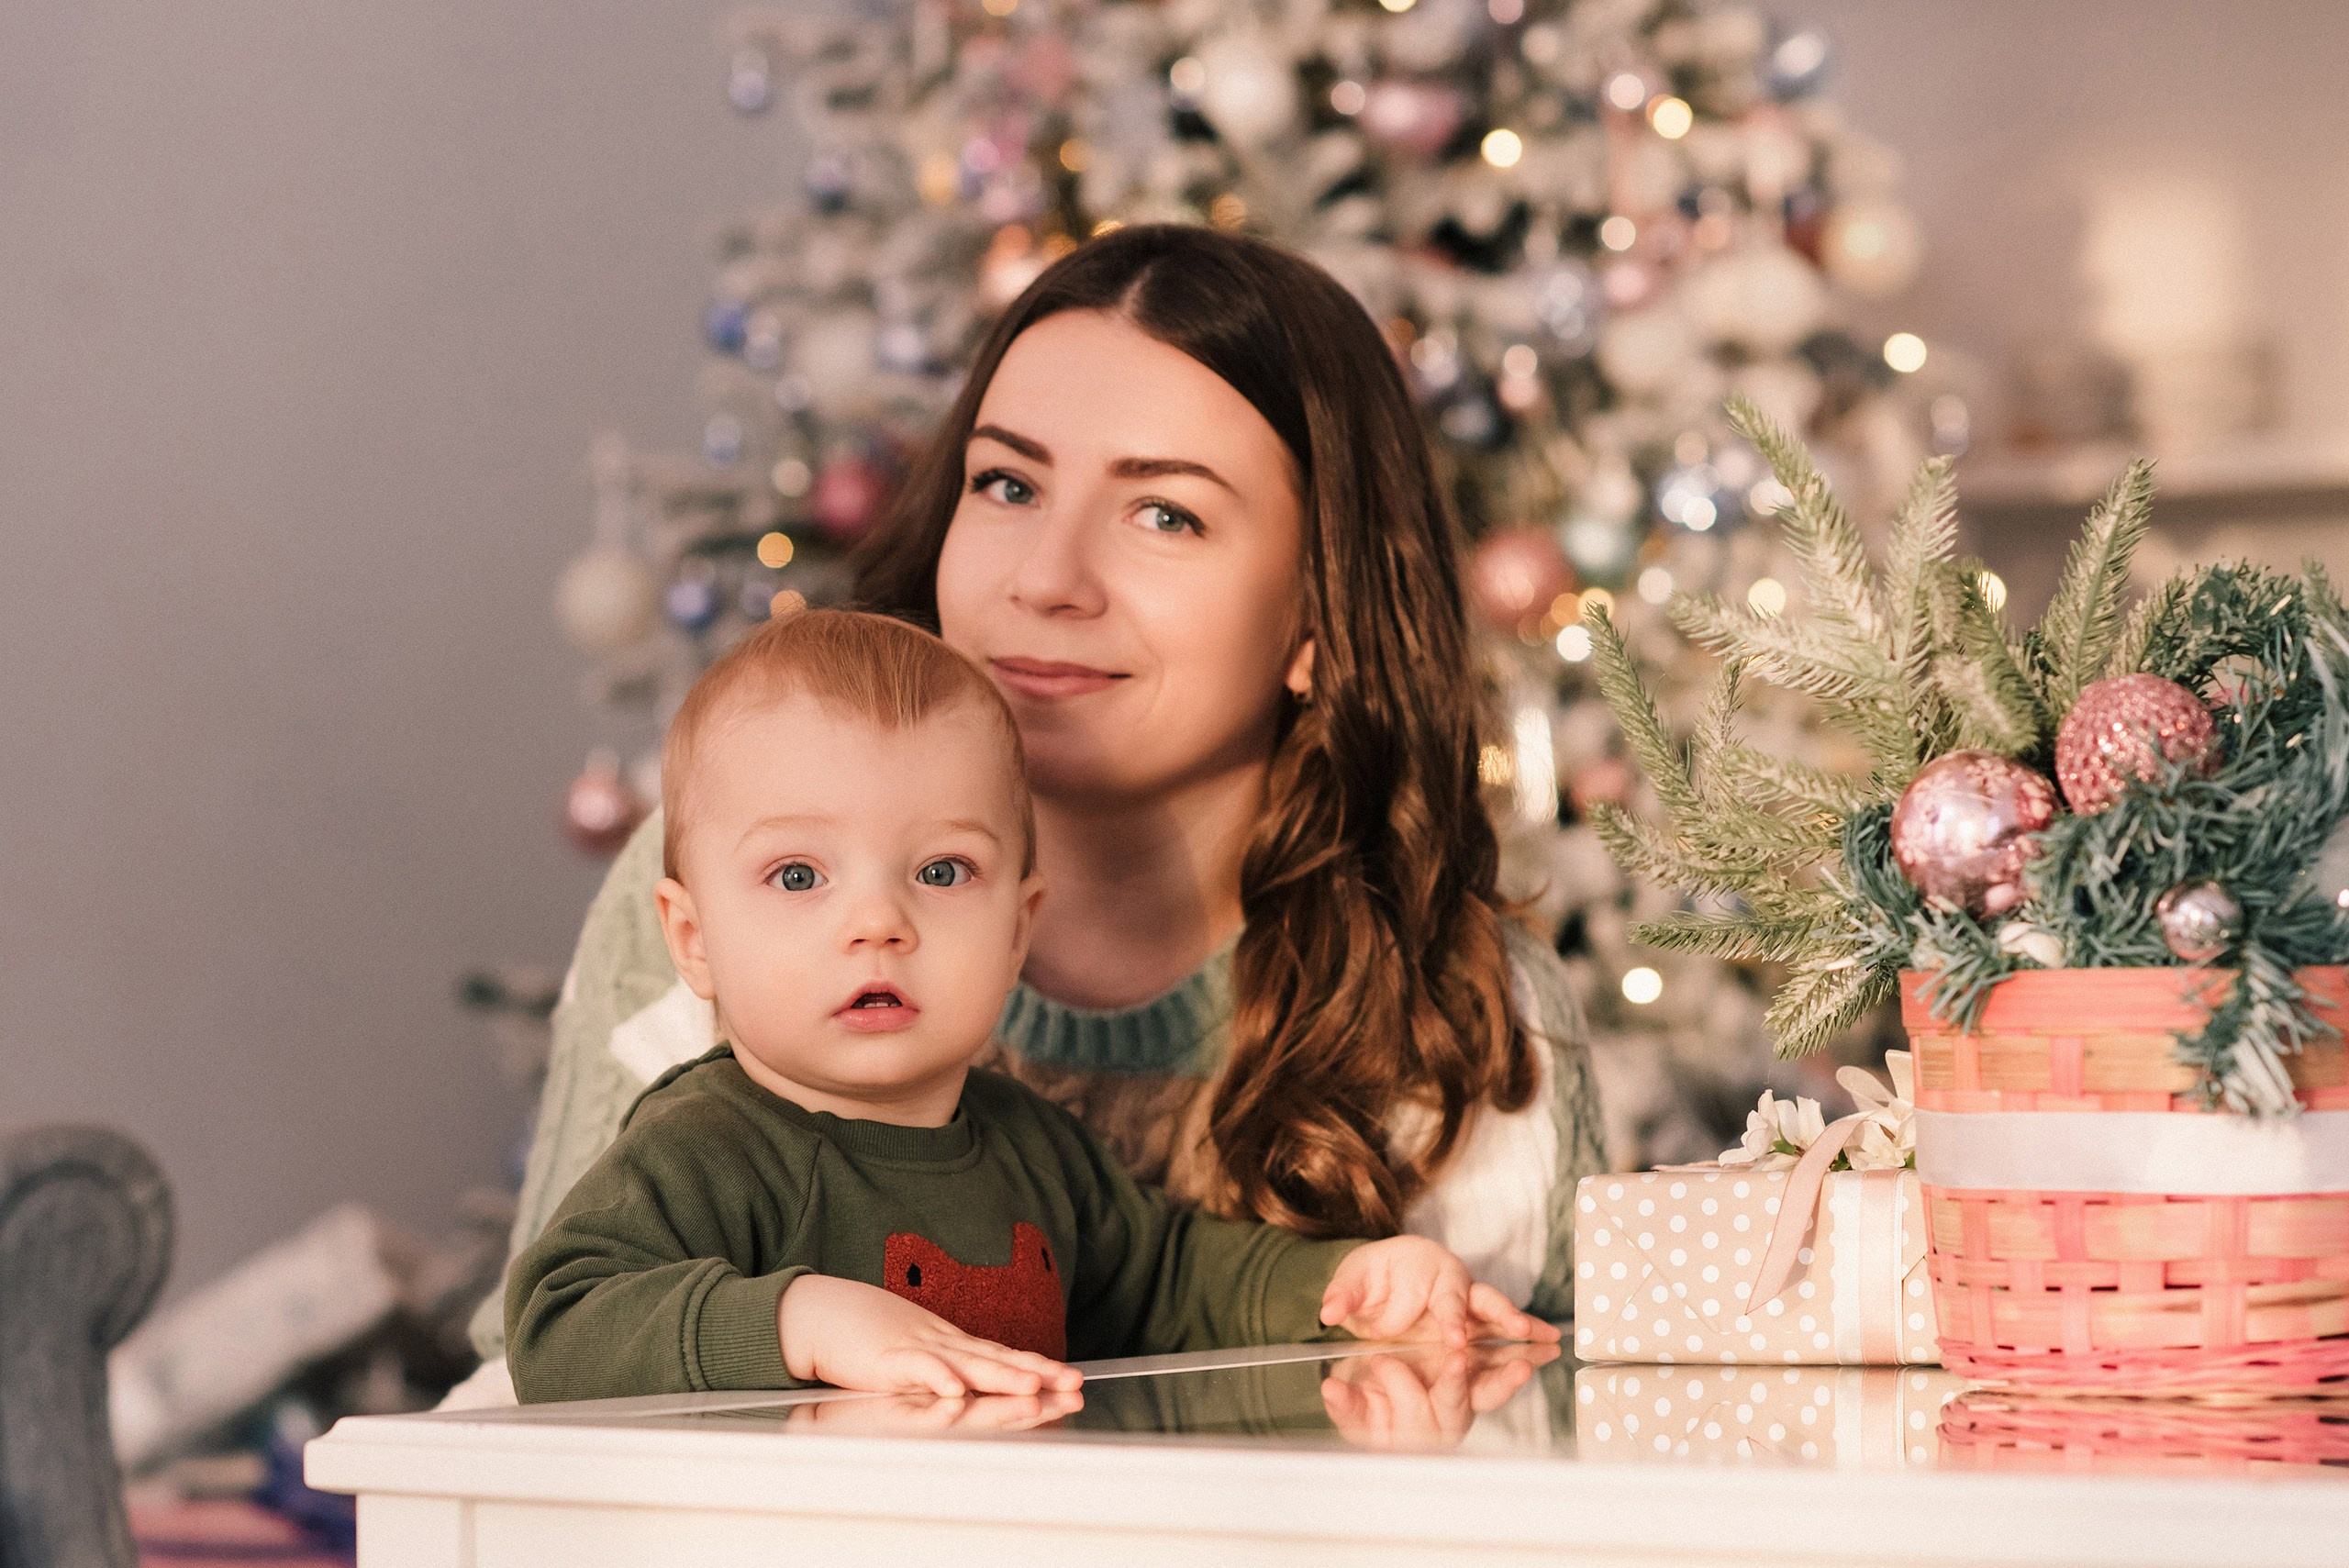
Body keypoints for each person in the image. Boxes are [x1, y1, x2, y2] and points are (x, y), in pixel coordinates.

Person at [462, 224, 1607, 1396]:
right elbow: (544, 1364)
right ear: (689, 931)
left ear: (1320, 613)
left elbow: (1514, 1430)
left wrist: (1369, 1288)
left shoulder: (1462, 1011)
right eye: (1006, 483)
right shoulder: (727, 872)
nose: (1047, 578)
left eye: (1166, 513)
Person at [507, 610, 1553, 1402]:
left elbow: (1174, 1281)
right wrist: (795, 1316)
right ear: (692, 939)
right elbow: (559, 1322)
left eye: (943, 871)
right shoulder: (707, 1144)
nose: (878, 921)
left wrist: (1355, 1284)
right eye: (796, 876)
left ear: (1017, 927)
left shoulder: (1031, 1147)